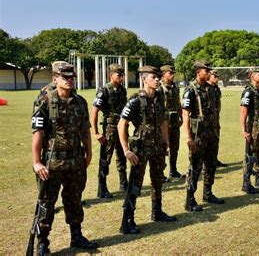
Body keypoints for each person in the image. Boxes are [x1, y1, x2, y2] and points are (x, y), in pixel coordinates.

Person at [31, 61, 98, 254]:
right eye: (64, 77)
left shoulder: (80, 102)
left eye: (71, 77)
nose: (69, 80)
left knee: (74, 200)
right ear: (55, 79)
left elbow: (85, 130)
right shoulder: (45, 101)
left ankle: (76, 236)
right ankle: (43, 242)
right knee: (47, 203)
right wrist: (36, 162)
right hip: (51, 163)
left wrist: (88, 152)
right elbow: (38, 133)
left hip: (75, 161)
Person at [118, 65, 176, 235]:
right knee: (135, 184)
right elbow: (122, 124)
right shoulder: (136, 100)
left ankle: (156, 212)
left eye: (158, 77)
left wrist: (166, 142)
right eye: (153, 77)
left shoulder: (159, 97)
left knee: (157, 180)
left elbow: (164, 120)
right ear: (144, 79)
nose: (157, 80)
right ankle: (128, 220)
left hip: (158, 146)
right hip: (141, 148)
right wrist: (126, 150)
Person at [182, 61, 225, 212]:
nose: (209, 73)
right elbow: (186, 114)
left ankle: (208, 193)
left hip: (212, 133)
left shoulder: (211, 89)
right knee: (195, 167)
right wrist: (188, 137)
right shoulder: (191, 90)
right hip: (198, 135)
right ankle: (190, 198)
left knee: (211, 164)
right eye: (206, 71)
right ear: (198, 71)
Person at [91, 63, 128, 198]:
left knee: (122, 155)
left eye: (122, 75)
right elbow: (95, 111)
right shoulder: (104, 90)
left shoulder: (122, 90)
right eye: (119, 75)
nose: (121, 78)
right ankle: (102, 188)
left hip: (122, 128)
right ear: (110, 76)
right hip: (109, 129)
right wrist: (96, 132)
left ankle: (124, 183)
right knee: (106, 158)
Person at [157, 64, 184, 180]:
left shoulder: (175, 87)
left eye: (173, 73)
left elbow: (178, 103)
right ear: (164, 74)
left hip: (174, 122)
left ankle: (173, 170)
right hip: (164, 122)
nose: (173, 75)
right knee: (163, 147)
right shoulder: (159, 88)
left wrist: (181, 116)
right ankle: (160, 173)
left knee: (175, 147)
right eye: (170, 73)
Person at [208, 70, 228, 168]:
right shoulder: (207, 88)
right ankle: (208, 162)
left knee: (215, 140)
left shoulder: (216, 88)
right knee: (208, 142)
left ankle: (214, 160)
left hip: (216, 119)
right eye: (214, 76)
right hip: (208, 121)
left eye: (217, 77)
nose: (217, 78)